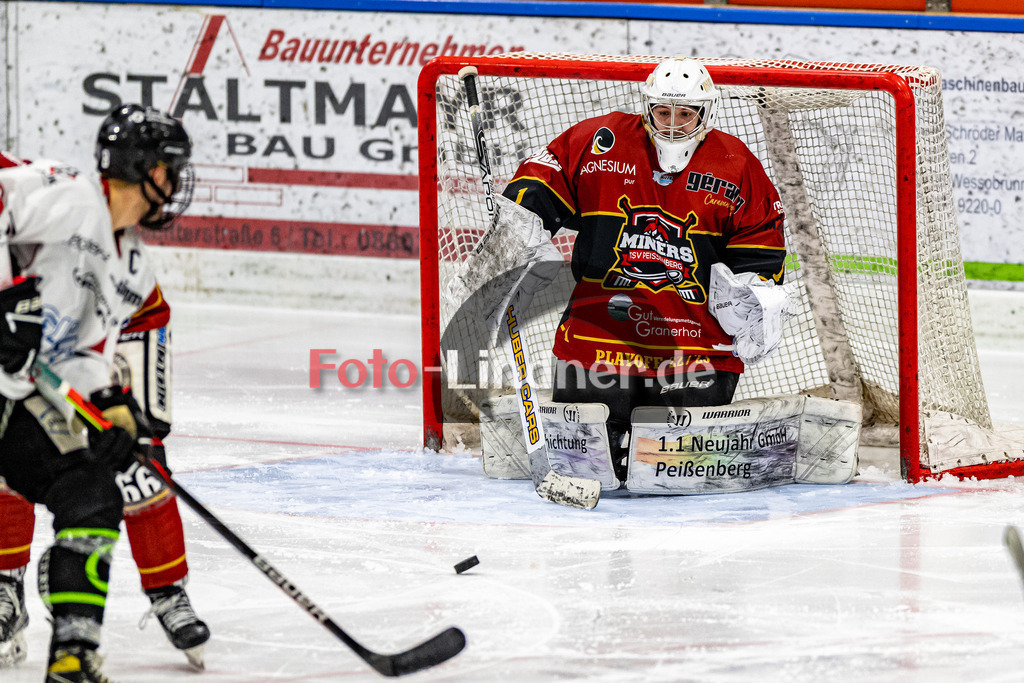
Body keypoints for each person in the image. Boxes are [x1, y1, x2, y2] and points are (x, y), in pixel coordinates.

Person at [499, 57, 787, 479]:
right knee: (586, 464)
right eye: (663, 112)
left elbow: (761, 252)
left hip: (695, 345)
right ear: (647, 108)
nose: (672, 124)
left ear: (706, 113)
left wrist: (755, 298)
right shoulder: (602, 141)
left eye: (685, 113)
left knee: (682, 467)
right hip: (599, 333)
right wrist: (516, 223)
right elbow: (546, 175)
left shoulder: (736, 164)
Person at [0, 105, 198, 682]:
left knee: (92, 498)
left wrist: (111, 407)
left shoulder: (131, 263)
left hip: (15, 398)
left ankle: (73, 656)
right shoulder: (64, 195)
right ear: (141, 167)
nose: (177, 183)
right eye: (170, 168)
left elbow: (83, 353)